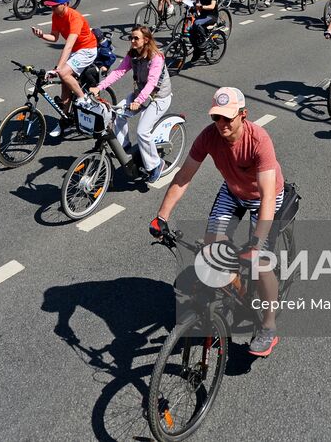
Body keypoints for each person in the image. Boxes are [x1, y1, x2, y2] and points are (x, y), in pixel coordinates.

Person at [150, 86, 286, 358]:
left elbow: (268, 196)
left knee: (260, 261)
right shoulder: (208, 137)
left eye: (228, 118)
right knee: (213, 247)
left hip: (264, 196)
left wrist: (257, 242)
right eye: (216, 118)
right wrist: (161, 216)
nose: (221, 124)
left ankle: (268, 324)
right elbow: (183, 177)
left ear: (243, 115)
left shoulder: (259, 140)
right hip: (234, 192)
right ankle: (239, 291)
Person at [91, 26, 172, 183]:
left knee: (143, 131)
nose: (132, 41)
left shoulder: (156, 57)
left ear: (146, 40)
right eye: (131, 38)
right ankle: (125, 148)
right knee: (117, 115)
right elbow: (119, 72)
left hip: (158, 97)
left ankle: (156, 165)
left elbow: (152, 83)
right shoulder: (133, 54)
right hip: (140, 95)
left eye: (136, 38)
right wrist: (99, 87)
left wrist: (138, 101)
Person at [30, 0, 98, 138]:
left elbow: (68, 46)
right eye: (51, 6)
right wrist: (41, 35)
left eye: (55, 6)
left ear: (65, 4)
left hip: (87, 50)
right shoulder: (56, 15)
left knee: (63, 73)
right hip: (76, 51)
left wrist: (59, 68)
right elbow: (54, 37)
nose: (52, 9)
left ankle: (83, 100)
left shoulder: (75, 18)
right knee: (64, 89)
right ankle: (63, 123)